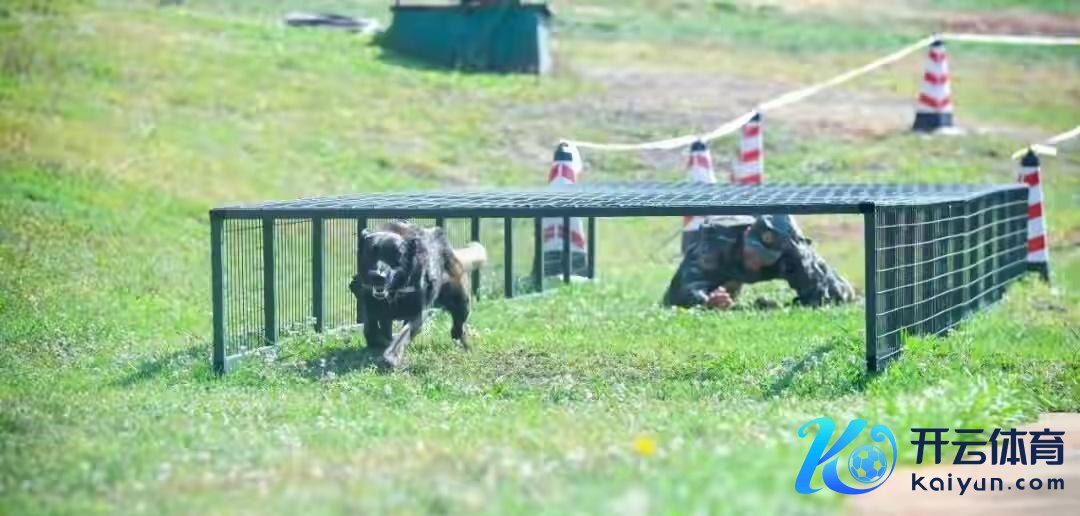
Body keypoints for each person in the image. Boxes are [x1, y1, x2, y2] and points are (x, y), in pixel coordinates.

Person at [662, 214, 855, 310]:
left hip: (791, 254)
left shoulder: (793, 253)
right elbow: (677, 294)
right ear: (746, 235)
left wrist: (784, 308)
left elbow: (827, 296)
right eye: (752, 254)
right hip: (726, 266)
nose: (755, 264)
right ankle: (730, 285)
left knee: (844, 291)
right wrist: (706, 301)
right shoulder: (718, 243)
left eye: (765, 259)